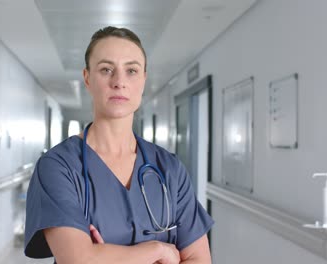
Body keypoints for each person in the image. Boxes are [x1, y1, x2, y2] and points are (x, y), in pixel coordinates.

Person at [24, 26, 214, 264]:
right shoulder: (58, 167)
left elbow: (200, 259)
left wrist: (104, 256)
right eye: (106, 69)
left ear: (144, 79)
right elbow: (79, 260)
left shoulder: (169, 169)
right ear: (87, 78)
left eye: (131, 70)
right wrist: (158, 250)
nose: (119, 82)